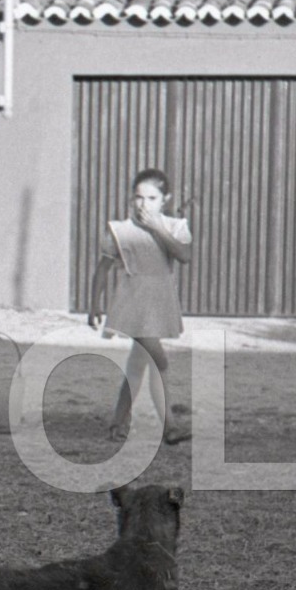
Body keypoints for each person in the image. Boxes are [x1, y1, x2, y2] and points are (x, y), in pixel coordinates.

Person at [87, 168, 192, 444]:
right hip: (133, 300)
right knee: (159, 360)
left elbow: (184, 256)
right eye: (138, 197)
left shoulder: (175, 226)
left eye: (151, 198)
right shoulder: (120, 230)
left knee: (137, 365)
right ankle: (169, 426)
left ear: (164, 200)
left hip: (160, 301)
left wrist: (157, 228)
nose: (143, 204)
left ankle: (117, 424)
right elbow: (103, 268)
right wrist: (94, 304)